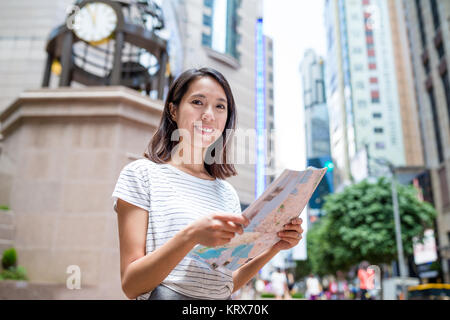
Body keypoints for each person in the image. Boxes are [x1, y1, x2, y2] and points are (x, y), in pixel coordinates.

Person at [112, 67, 305, 300]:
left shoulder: (227, 193)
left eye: (220, 106)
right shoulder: (141, 175)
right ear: (173, 110)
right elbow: (131, 285)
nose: (209, 115)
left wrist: (275, 247)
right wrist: (191, 236)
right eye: (197, 102)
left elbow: (224, 284)